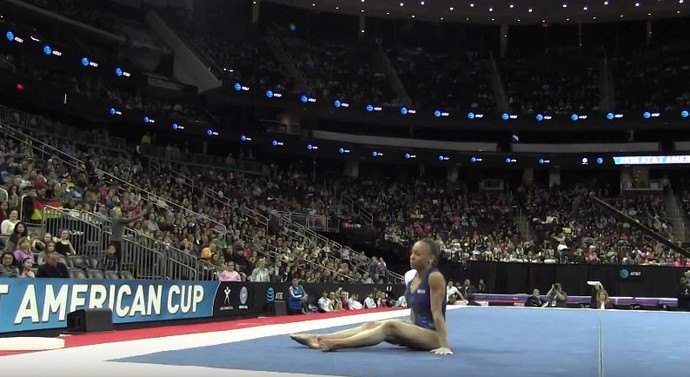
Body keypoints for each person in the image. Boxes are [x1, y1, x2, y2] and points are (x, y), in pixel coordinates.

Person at [290, 239, 452, 355]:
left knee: (389, 325)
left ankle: (336, 344)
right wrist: (409, 332)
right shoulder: (412, 279)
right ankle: (318, 338)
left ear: (430, 259)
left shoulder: (434, 277)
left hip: (433, 335)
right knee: (372, 323)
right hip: (419, 331)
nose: (412, 256)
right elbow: (415, 313)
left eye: (417, 254)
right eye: (412, 253)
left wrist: (443, 345)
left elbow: (437, 314)